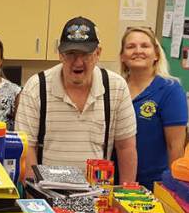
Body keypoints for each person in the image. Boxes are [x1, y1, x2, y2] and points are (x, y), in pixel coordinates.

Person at [15, 17, 138, 183]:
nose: (78, 62)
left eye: (85, 54)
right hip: (47, 193)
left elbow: (126, 147)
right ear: (60, 54)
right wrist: (35, 197)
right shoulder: (36, 87)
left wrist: (125, 194)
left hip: (98, 194)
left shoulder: (116, 87)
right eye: (71, 54)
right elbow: (26, 148)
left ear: (98, 53)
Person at [120, 26, 188, 190]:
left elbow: (176, 146)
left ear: (156, 54)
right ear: (122, 56)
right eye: (130, 47)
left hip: (154, 184)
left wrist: (173, 189)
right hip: (117, 179)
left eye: (145, 46)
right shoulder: (116, 87)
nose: (138, 51)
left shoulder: (170, 89)